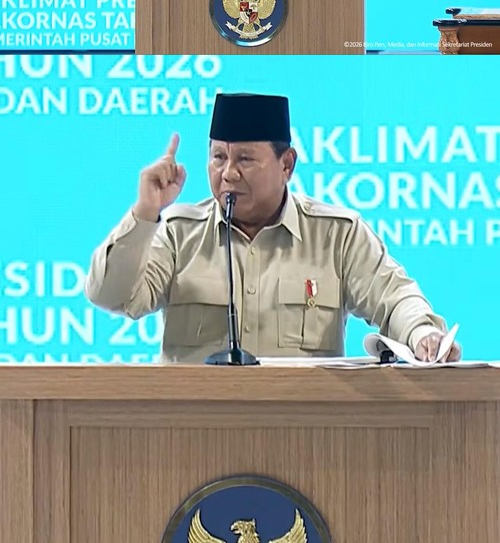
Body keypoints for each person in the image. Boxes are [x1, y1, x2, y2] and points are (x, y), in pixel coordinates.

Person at [85, 93, 461, 365]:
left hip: (303, 430)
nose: (228, 174)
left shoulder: (337, 235)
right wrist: (145, 212)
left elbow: (395, 298)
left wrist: (422, 334)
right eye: (218, 157)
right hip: (193, 429)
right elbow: (111, 297)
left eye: (245, 159)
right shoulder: (178, 232)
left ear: (287, 165)